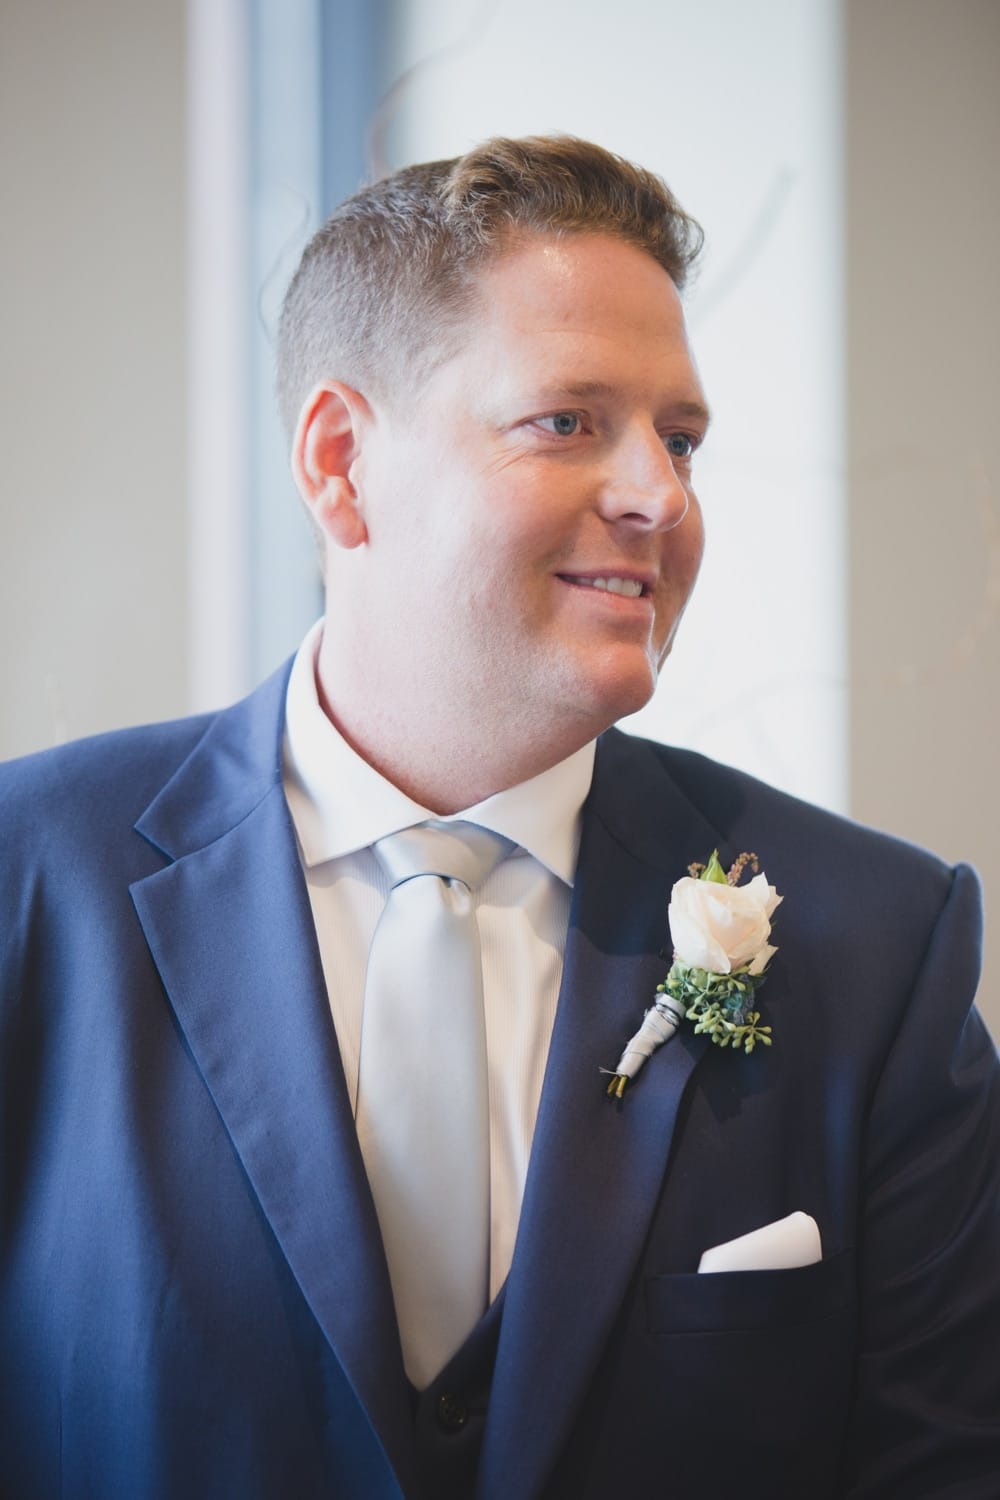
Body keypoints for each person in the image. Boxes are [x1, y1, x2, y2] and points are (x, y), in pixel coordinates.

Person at [1, 136, 998, 1500]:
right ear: (342, 462)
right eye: (569, 420)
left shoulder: (876, 945)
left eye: (682, 437)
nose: (662, 495)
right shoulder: (29, 879)